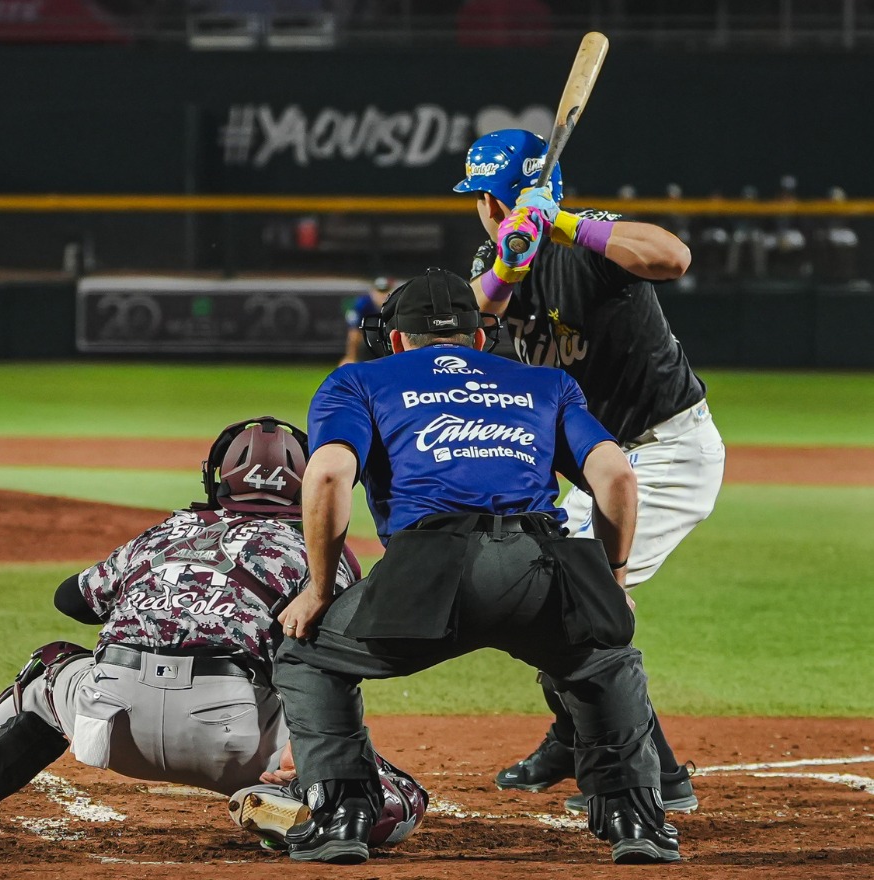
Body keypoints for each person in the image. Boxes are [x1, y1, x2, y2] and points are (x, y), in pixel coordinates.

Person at [272, 268, 681, 865]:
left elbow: (329, 473)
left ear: (398, 339)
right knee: (602, 662)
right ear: (481, 337)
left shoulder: (357, 381)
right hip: (539, 564)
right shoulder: (547, 383)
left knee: (308, 657)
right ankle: (635, 819)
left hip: (426, 572)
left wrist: (316, 588)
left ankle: (344, 815)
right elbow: (616, 474)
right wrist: (612, 583)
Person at [0, 416, 427, 852]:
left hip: (110, 724)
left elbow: (71, 600)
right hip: (239, 742)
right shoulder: (322, 552)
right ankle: (299, 803)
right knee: (396, 793)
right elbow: (338, 648)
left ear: (218, 477)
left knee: (52, 669)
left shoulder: (170, 529)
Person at [454, 129, 724, 814]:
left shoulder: (593, 241)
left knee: (576, 601)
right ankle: (571, 737)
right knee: (544, 594)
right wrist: (510, 264)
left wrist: (567, 223)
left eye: (482, 199)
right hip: (603, 465)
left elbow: (673, 256)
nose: (482, 212)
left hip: (664, 454)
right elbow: (467, 325)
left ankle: (659, 776)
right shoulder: (500, 253)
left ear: (493, 197)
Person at [338, 276, 393, 366]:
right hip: (368, 347)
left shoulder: (395, 303)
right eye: (380, 291)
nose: (383, 295)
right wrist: (351, 357)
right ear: (373, 292)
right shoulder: (363, 304)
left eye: (386, 291)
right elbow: (354, 333)